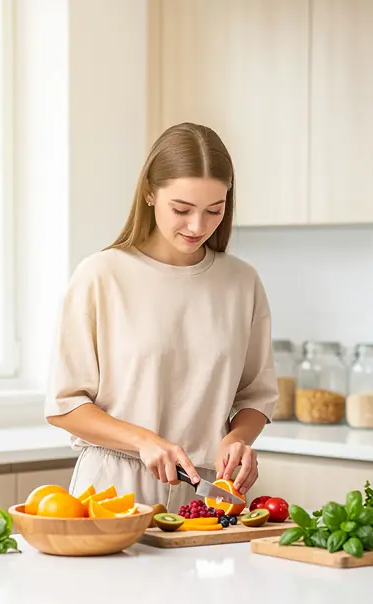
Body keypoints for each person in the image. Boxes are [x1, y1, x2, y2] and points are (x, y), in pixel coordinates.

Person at [45, 122, 278, 512]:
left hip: (208, 496)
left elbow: (256, 395)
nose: (198, 226)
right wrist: (143, 440)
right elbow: (65, 405)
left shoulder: (242, 282)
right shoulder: (102, 275)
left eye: (214, 210)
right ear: (150, 193)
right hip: (112, 492)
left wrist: (238, 438)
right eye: (182, 209)